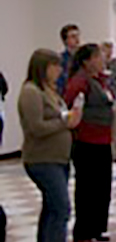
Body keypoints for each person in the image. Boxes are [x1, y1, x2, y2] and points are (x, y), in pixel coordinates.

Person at [18, 49, 82, 242]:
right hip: (42, 159)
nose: (59, 71)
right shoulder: (31, 91)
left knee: (51, 208)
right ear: (42, 67)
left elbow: (59, 115)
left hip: (58, 158)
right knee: (61, 207)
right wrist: (65, 122)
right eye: (54, 66)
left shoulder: (50, 90)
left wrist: (71, 116)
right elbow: (35, 127)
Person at [64, 44, 114, 242]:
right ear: (87, 61)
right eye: (99, 57)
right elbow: (69, 103)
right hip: (87, 142)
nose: (103, 60)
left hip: (103, 140)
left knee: (102, 187)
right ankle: (83, 232)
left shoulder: (100, 80)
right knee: (87, 189)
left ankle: (97, 228)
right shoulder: (80, 82)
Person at [58, 24, 81, 96]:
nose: (77, 39)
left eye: (78, 36)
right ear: (65, 40)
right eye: (73, 36)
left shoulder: (83, 58)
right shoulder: (60, 59)